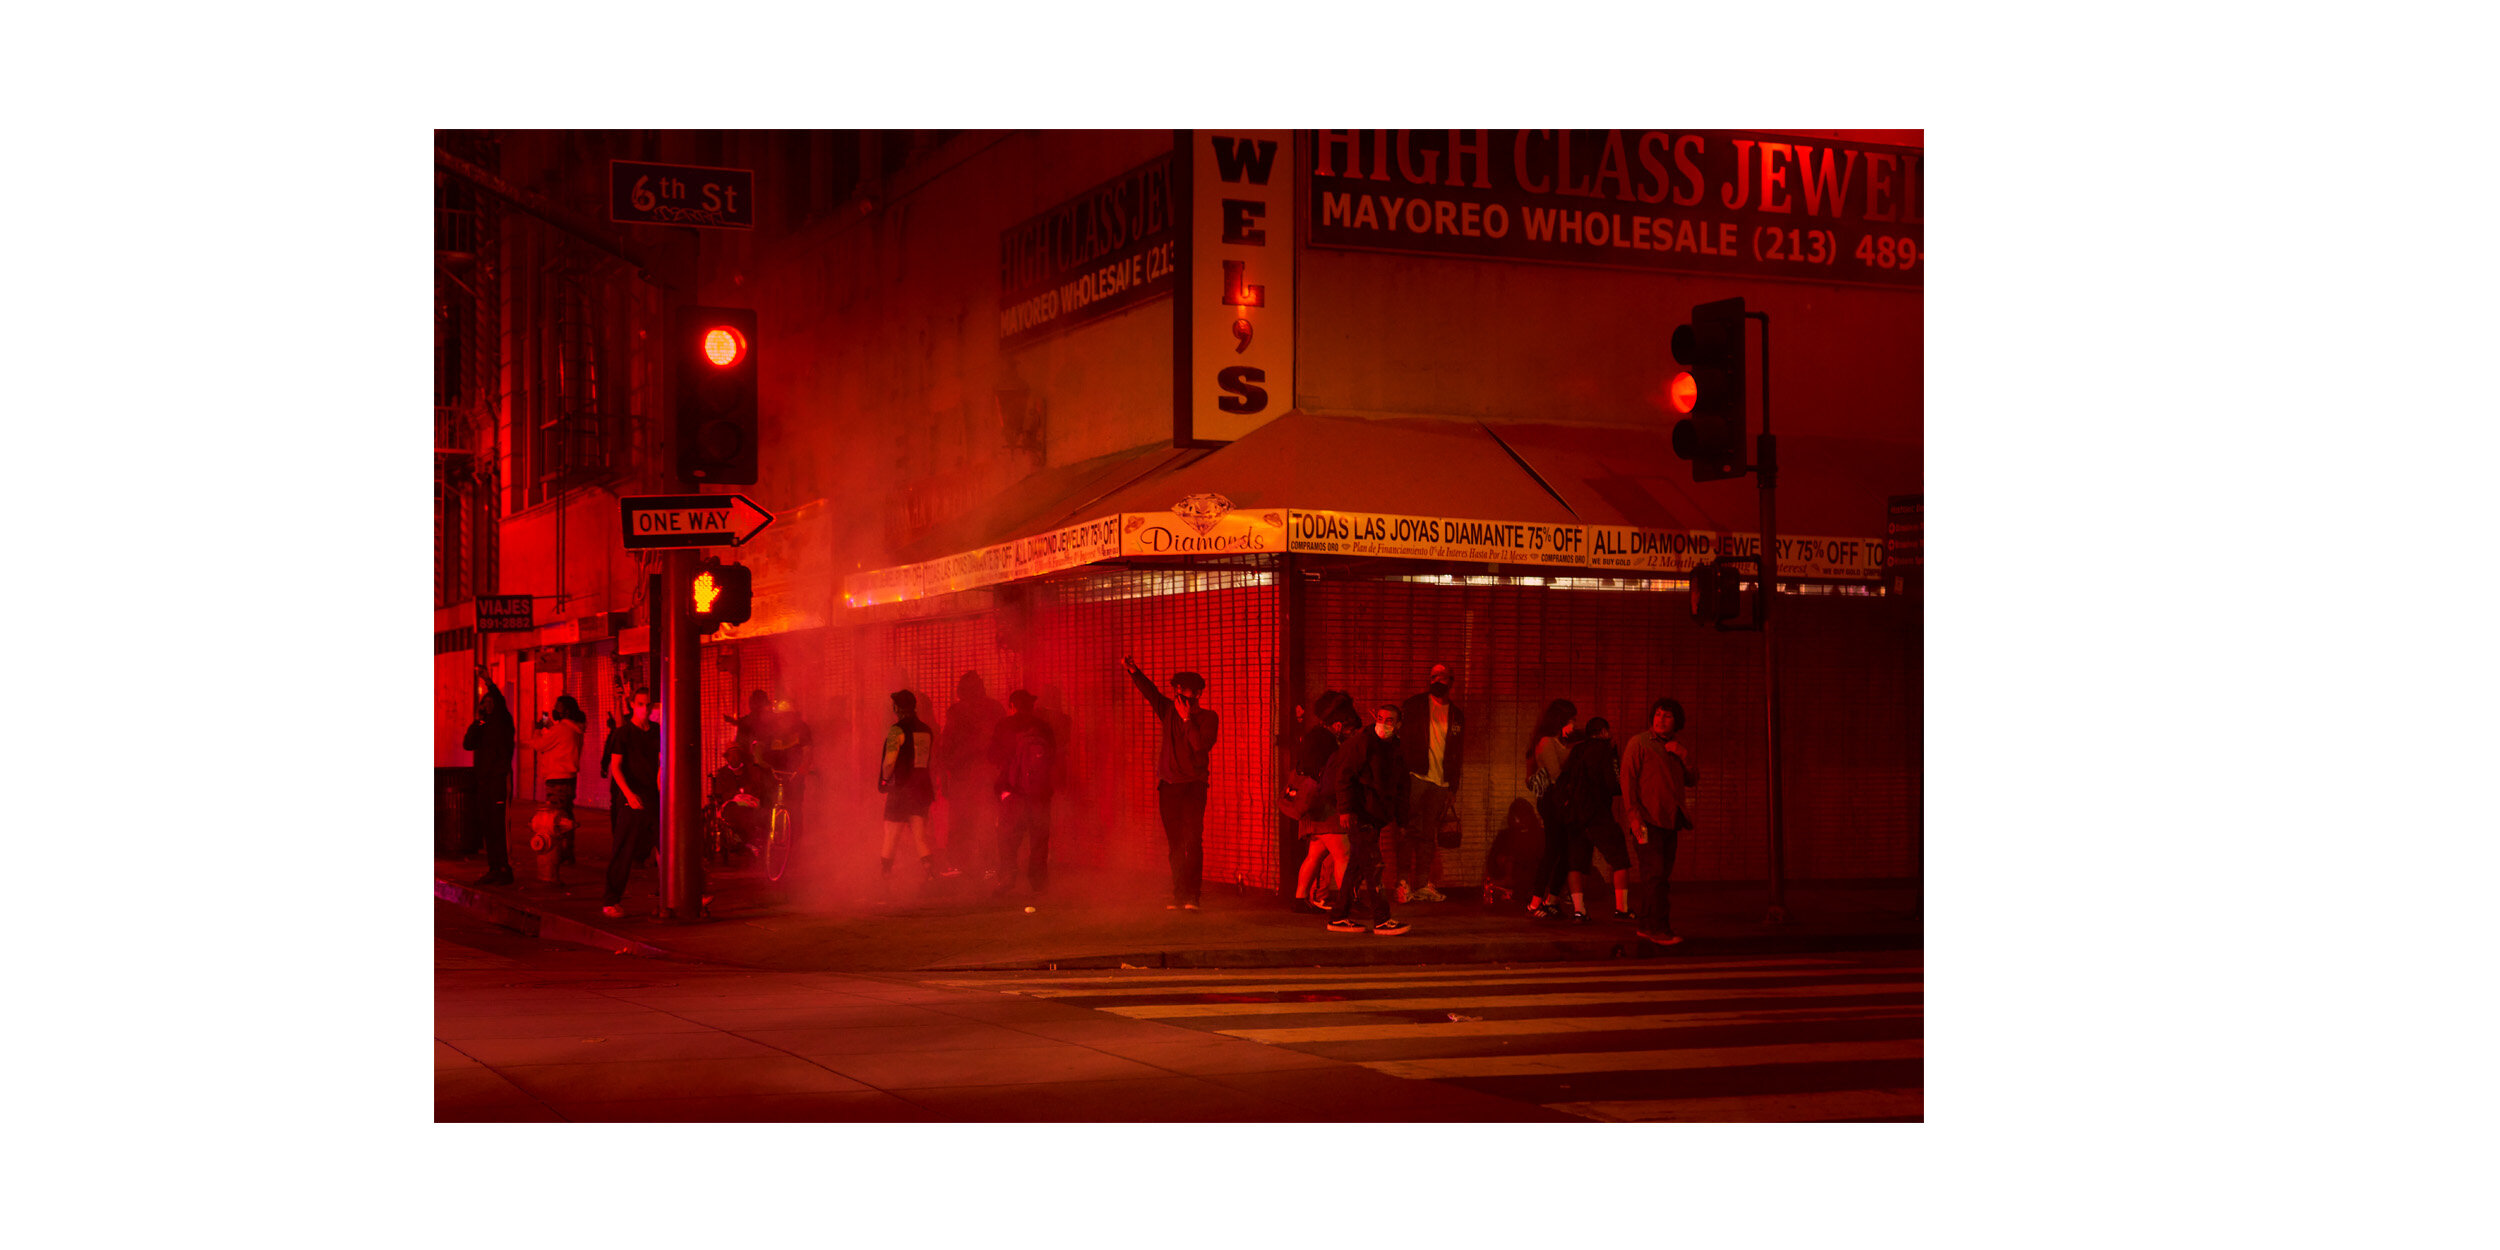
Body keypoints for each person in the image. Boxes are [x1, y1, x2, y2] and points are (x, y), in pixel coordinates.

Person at [1124, 656, 1219, 910]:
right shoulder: (1167, 710)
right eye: (1176, 689)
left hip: (1193, 786)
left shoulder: (1209, 718)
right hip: (1169, 786)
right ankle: (1179, 894)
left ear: (1197, 693)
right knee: (1175, 842)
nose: (1178, 693)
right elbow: (1150, 693)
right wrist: (1135, 671)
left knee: (1193, 840)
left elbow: (1200, 745)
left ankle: (1192, 896)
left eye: (1183, 689)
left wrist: (1187, 720)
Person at [1321, 703, 1410, 936]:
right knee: (1373, 865)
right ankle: (1382, 919)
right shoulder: (1363, 742)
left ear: (1399, 724)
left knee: (1357, 867)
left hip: (1374, 814)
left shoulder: (1394, 748)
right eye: (1380, 718)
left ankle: (1338, 916)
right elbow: (1344, 777)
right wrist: (1345, 810)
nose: (1383, 723)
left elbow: (1399, 786)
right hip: (1360, 813)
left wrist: (1400, 820)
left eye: (1390, 720)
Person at [1620, 697, 1701, 946]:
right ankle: (1659, 927)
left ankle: (1646, 924)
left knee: (1658, 876)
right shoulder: (1639, 743)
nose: (1660, 719)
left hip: (1670, 819)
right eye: (1657, 714)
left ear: (1676, 721)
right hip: (1647, 820)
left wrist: (1683, 754)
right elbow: (1628, 782)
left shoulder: (1676, 747)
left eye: (1667, 716)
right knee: (1655, 875)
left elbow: (1692, 779)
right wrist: (1634, 819)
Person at [1546, 717, 1630, 923]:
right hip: (1598, 813)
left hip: (1575, 816)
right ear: (1603, 732)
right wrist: (1616, 758)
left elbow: (1563, 780)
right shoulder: (1605, 750)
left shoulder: (1577, 751)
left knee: (1576, 862)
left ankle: (1579, 910)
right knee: (1620, 858)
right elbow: (1614, 784)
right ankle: (1622, 908)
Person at [1396, 663, 1463, 904]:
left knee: (1428, 835)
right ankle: (1403, 883)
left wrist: (1452, 787)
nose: (1438, 681)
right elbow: (1402, 742)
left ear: (1451, 682)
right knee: (1408, 831)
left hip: (1440, 782)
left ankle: (1422, 883)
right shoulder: (1414, 706)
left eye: (1443, 677)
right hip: (1416, 777)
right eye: (1434, 676)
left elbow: (1457, 752)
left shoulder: (1456, 715)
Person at [987, 689, 1058, 897]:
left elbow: (991, 756)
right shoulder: (1043, 728)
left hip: (1013, 792)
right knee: (1039, 838)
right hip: (1040, 793)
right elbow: (1052, 757)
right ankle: (1038, 883)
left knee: (1008, 837)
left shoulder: (1004, 726)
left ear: (1012, 706)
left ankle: (1008, 876)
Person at [598, 687, 662, 917]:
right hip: (631, 797)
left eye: (648, 705)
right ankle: (610, 900)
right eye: (641, 704)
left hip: (653, 796)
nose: (645, 709)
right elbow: (616, 767)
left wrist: (661, 788)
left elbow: (661, 761)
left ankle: (676, 893)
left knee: (668, 845)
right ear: (632, 705)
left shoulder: (656, 731)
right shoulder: (623, 733)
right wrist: (629, 795)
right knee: (623, 849)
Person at [878, 690, 952, 887]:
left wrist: (885, 781)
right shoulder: (926, 730)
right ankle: (930, 874)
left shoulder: (896, 731)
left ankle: (885, 876)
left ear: (897, 708)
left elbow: (889, 762)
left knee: (891, 834)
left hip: (901, 789)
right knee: (920, 835)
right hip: (921, 788)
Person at [1288, 690, 1353, 913]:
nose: (1347, 732)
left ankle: (1299, 899)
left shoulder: (1312, 737)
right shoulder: (1328, 743)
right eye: (1346, 727)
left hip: (1311, 805)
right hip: (1326, 808)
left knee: (1314, 854)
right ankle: (1346, 904)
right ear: (1336, 725)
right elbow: (1333, 776)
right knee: (1343, 854)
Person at [938, 672, 1007, 882]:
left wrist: (945, 772)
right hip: (988, 773)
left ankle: (959, 864)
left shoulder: (957, 711)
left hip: (963, 775)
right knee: (987, 820)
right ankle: (990, 866)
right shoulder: (995, 708)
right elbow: (1003, 741)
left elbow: (947, 744)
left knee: (960, 820)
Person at [461, 671, 517, 886]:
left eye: (491, 701)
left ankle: (505, 867)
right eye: (485, 702)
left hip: (499, 780)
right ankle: (494, 867)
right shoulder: (482, 726)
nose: (488, 705)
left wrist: (489, 682)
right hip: (483, 781)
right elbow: (468, 744)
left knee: (500, 826)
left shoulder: (503, 721)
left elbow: (500, 702)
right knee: (488, 826)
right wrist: (477, 722)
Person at [1523, 698, 1576, 919]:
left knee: (1564, 851)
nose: (1573, 724)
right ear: (1560, 720)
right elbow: (1556, 775)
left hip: (1559, 800)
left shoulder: (1559, 742)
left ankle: (1551, 899)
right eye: (1571, 719)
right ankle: (1536, 902)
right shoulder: (1546, 742)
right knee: (1553, 850)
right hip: (1552, 801)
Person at [530, 694, 588, 866]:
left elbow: (539, 745)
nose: (555, 710)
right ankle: (568, 851)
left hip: (557, 778)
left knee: (556, 819)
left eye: (558, 707)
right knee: (566, 816)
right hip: (569, 778)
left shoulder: (562, 729)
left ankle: (562, 852)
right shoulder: (574, 728)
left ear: (566, 711)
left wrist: (537, 729)